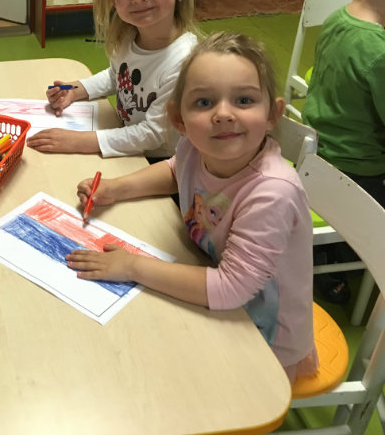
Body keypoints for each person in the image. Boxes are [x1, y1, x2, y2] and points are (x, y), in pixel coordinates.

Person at [66, 32, 317, 381]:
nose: (223, 114)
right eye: (204, 102)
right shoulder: (195, 148)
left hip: (265, 342)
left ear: (273, 113)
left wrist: (132, 265)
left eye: (244, 100)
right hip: (216, 296)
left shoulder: (272, 193)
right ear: (178, 119)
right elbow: (176, 170)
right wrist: (116, 188)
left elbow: (230, 288)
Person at [27, 0, 199, 159]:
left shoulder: (185, 62)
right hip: (130, 150)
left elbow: (153, 134)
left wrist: (80, 141)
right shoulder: (130, 36)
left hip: (161, 163)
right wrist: (77, 90)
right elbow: (117, 76)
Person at [302, 0, 385, 303]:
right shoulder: (378, 49)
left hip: (316, 151)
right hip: (358, 168)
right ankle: (337, 256)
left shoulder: (339, 17)